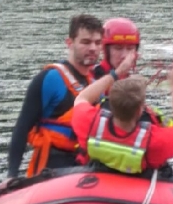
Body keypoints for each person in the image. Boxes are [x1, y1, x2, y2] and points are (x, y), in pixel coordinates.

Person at [6, 14, 108, 180]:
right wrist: (11, 175)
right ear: (70, 43)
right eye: (86, 42)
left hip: (86, 168)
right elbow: (22, 128)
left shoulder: (97, 84)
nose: (93, 48)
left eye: (97, 43)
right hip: (51, 170)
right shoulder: (50, 79)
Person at [69, 72, 173, 176]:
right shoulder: (154, 142)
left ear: (110, 104)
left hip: (94, 183)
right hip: (139, 192)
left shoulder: (89, 123)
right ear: (139, 111)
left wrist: (114, 74)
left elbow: (82, 98)